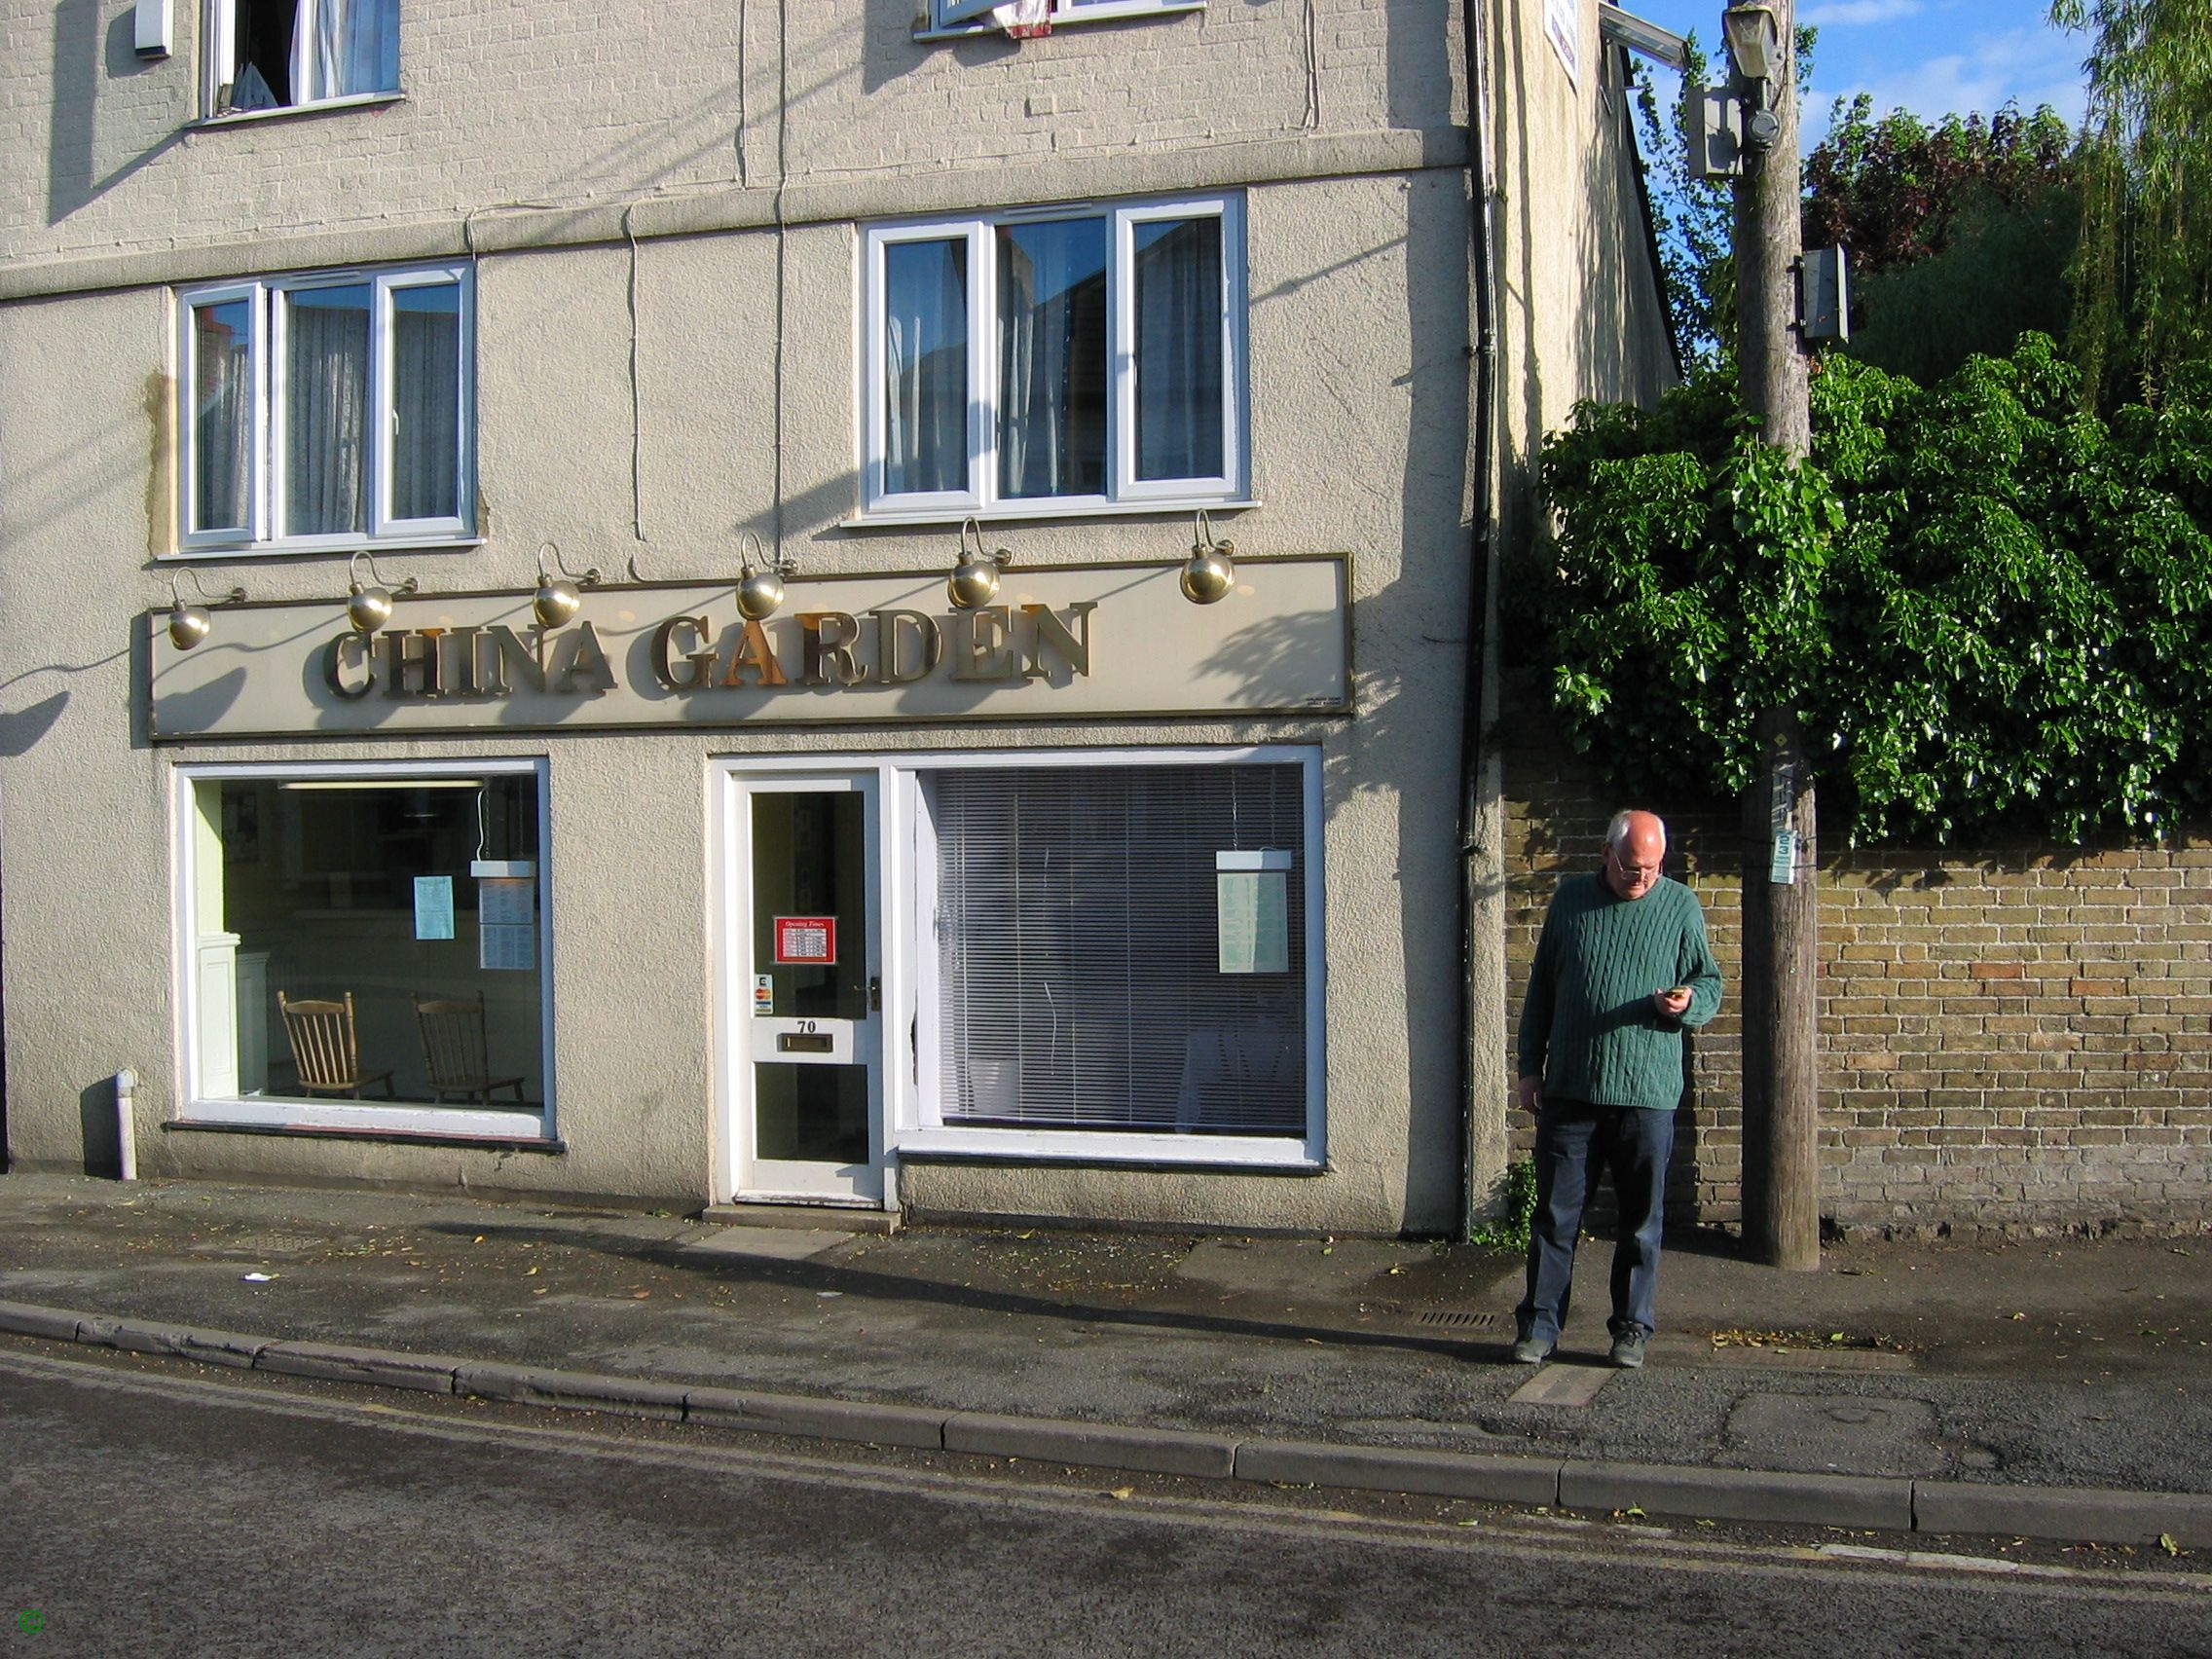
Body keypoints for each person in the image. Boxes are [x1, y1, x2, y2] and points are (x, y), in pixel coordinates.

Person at [1510, 808, 1721, 1369]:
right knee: (1555, 1219)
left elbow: (1710, 981)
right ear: (1606, 854)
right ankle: (1539, 1326)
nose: (1643, 879)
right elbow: (1543, 992)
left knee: (1641, 1222)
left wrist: (1688, 1003)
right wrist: (1531, 1066)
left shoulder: (1678, 906)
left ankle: (1631, 1330)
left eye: (1653, 868)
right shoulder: (1571, 902)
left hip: (1647, 1092)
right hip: (1573, 1089)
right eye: (1632, 868)